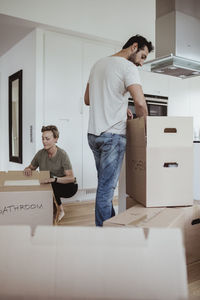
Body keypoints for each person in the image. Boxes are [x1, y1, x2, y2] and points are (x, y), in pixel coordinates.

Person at [84, 34, 154, 226]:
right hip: (112, 137)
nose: (141, 63)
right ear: (134, 47)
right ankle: (106, 237)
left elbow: (88, 99)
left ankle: (110, 225)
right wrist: (147, 129)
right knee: (106, 192)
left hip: (93, 136)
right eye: (143, 57)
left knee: (104, 188)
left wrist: (121, 108)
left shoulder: (98, 64)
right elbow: (140, 103)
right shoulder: (127, 66)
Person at [24, 125, 78, 223]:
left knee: (51, 183)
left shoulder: (62, 154)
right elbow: (30, 168)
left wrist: (54, 179)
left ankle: (60, 210)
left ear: (55, 139)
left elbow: (71, 178)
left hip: (69, 186)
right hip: (51, 185)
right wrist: (27, 169)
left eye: (47, 139)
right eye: (43, 138)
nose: (44, 141)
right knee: (47, 184)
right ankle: (49, 209)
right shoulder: (40, 154)